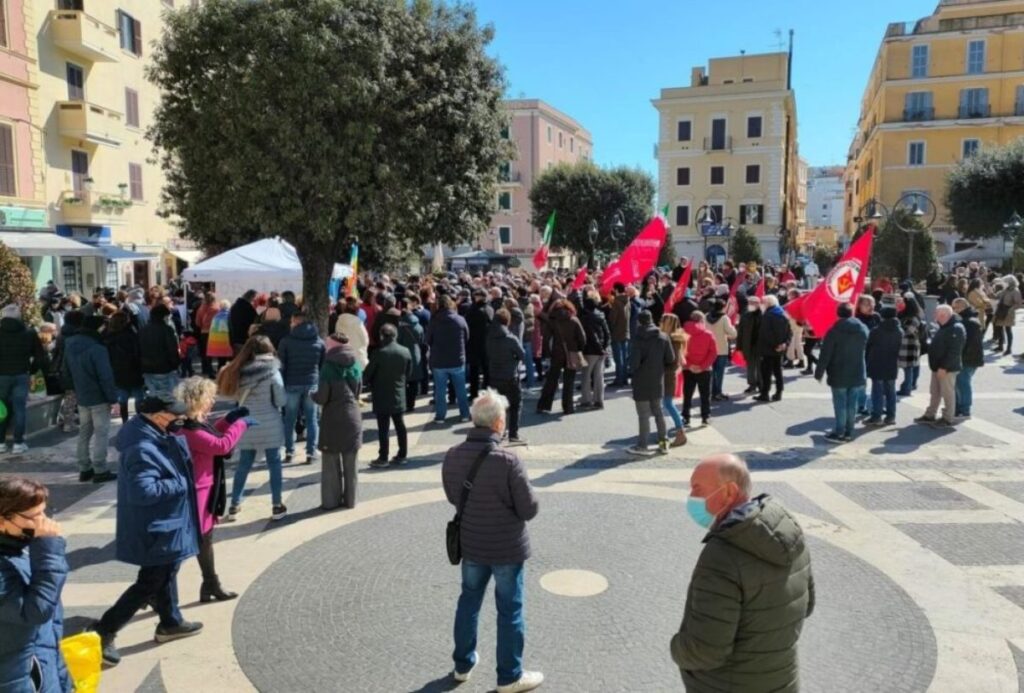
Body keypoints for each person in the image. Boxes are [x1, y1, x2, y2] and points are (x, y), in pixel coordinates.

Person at [671, 454, 814, 691]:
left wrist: (677, 646)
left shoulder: (722, 556)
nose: (691, 497)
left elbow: (705, 651)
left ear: (728, 492)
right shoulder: (788, 530)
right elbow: (806, 605)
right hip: (783, 680)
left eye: (697, 488)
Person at [90, 395, 203, 667]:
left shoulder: (155, 433)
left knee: (165, 572)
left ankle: (170, 622)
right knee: (150, 582)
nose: (179, 418)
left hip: (166, 524)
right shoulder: (141, 447)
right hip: (157, 527)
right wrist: (180, 483)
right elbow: (143, 491)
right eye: (173, 414)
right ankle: (103, 631)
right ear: (156, 416)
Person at [442, 389, 542, 693]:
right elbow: (529, 509)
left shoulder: (453, 455)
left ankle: (463, 663)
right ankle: (509, 675)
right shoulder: (508, 460)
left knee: (468, 600)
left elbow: (452, 497)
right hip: (507, 546)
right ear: (499, 423)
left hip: (472, 542)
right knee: (510, 609)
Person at [173, 377, 251, 602]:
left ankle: (210, 583)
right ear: (197, 400)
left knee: (204, 540)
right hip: (196, 492)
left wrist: (228, 420)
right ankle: (153, 589)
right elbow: (220, 445)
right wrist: (240, 425)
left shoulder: (193, 423)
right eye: (209, 397)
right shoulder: (187, 429)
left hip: (203, 490)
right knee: (187, 544)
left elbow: (212, 435)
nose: (212, 401)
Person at [0, 477, 71, 693]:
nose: (44, 523)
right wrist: (48, 550)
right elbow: (35, 611)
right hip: (19, 676)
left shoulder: (17, 545)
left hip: (43, 659)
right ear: (3, 520)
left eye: (44, 513)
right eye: (34, 517)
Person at [218, 335, 288, 521]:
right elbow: (281, 400)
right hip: (270, 422)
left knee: (244, 463)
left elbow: (230, 397)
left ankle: (234, 505)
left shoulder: (237, 370)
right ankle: (276, 505)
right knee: (274, 463)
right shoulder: (273, 371)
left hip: (245, 423)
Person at [61, 315, 119, 483]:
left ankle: (84, 468)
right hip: (98, 396)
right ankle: (100, 469)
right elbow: (105, 376)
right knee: (101, 433)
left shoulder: (70, 343)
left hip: (82, 395)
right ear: (97, 328)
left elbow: (66, 371)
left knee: (84, 432)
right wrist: (112, 398)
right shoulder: (97, 348)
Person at [312, 336, 363, 509]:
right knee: (351, 463)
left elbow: (322, 397)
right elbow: (357, 391)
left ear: (333, 346)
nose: (325, 346)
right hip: (352, 416)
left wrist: (312, 394)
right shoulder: (355, 363)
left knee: (330, 464)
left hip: (332, 419)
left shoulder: (328, 366)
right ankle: (351, 501)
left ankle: (330, 502)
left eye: (327, 343)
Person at [815, 303, 870, 443]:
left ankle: (839, 432)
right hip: (858, 370)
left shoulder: (833, 331)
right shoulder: (863, 329)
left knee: (840, 403)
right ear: (852, 313)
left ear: (838, 314)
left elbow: (825, 354)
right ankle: (849, 432)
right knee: (852, 404)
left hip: (838, 371)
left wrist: (819, 373)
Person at [627, 310, 676, 456]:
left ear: (639, 322)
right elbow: (671, 358)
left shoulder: (637, 338)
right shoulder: (663, 336)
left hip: (641, 380)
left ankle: (642, 445)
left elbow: (634, 363)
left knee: (643, 415)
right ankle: (663, 442)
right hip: (657, 378)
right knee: (659, 412)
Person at [278, 311, 325, 464]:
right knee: (312, 419)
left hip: (291, 383)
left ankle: (289, 451)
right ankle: (311, 452)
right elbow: (322, 365)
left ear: (296, 322)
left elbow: (281, 365)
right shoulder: (318, 341)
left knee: (289, 419)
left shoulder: (286, 341)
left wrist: (282, 385)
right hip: (312, 383)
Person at [0, 304, 47, 455]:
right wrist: (32, 370)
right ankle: (18, 443)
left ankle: (0, 442)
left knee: (1, 409)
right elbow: (40, 356)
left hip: (1, 376)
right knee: (20, 408)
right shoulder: (29, 332)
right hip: (21, 374)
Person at [365, 323, 412, 467]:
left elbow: (367, 375)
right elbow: (408, 373)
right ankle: (402, 454)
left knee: (383, 428)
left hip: (381, 393)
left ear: (381, 336)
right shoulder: (405, 351)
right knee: (400, 425)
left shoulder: (379, 353)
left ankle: (383, 457)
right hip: (398, 393)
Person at [916, 304, 966, 429]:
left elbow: (954, 351)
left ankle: (947, 418)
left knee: (947, 393)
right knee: (935, 392)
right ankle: (930, 415)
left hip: (946, 368)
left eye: (936, 314)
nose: (934, 316)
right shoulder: (945, 326)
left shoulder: (955, 328)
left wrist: (944, 367)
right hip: (938, 367)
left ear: (944, 315)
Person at [535, 299, 586, 415]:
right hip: (572, 352)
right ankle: (568, 408)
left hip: (557, 353)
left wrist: (547, 354)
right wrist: (578, 349)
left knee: (551, 380)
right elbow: (582, 338)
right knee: (569, 381)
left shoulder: (552, 321)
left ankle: (543, 406)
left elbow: (546, 339)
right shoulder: (574, 320)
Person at [427, 295, 471, 424]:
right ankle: (465, 414)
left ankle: (440, 416)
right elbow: (467, 337)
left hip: (439, 360)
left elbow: (428, 339)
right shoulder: (460, 319)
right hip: (457, 358)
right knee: (461, 389)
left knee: (440, 391)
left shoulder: (434, 320)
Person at [487, 308, 527, 445]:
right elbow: (522, 354)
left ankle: (500, 432)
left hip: (494, 375)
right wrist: (514, 358)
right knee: (515, 405)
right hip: (510, 375)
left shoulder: (489, 337)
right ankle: (514, 434)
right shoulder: (510, 338)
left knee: (498, 406)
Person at [103, 311, 145, 425]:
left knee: (123, 399)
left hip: (117, 372)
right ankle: (140, 421)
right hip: (134, 370)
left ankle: (125, 421)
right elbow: (138, 352)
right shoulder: (131, 335)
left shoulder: (107, 337)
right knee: (139, 398)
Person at [865, 306, 903, 426]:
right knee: (891, 391)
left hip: (877, 363)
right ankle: (891, 416)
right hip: (892, 363)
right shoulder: (899, 331)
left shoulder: (876, 331)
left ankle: (877, 416)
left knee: (877, 391)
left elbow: (868, 346)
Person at [682, 312, 717, 427]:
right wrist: (702, 366)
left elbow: (680, 352)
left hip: (688, 368)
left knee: (687, 394)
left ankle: (686, 417)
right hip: (705, 369)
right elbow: (713, 352)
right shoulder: (708, 334)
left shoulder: (683, 333)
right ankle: (705, 417)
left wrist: (689, 365)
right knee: (705, 394)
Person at [139, 303, 182, 397]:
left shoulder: (142, 330)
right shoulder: (166, 330)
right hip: (165, 368)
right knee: (169, 396)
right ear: (164, 316)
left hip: (147, 368)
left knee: (154, 395)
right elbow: (172, 349)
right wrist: (176, 364)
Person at [659, 313, 688, 448]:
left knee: (668, 403)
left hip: (667, 374)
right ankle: (679, 425)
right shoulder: (674, 337)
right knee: (667, 403)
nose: (659, 323)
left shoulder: (671, 339)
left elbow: (672, 360)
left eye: (662, 321)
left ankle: (680, 430)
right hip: (669, 373)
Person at [754, 295, 791, 402]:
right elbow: (789, 331)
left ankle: (765, 393)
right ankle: (779, 392)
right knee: (778, 372)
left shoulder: (768, 315)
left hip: (768, 349)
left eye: (763, 302)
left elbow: (767, 334)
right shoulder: (783, 313)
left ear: (768, 303)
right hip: (780, 348)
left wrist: (777, 345)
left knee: (766, 372)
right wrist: (784, 344)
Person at [952, 298, 984, 420]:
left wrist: (959, 357)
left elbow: (968, 344)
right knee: (960, 384)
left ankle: (964, 410)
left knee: (963, 383)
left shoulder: (969, 322)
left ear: (962, 307)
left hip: (968, 359)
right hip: (968, 358)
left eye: (956, 308)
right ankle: (959, 408)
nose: (954, 310)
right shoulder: (968, 320)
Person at [579, 295, 610, 409]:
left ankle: (586, 400)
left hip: (590, 350)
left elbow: (592, 336)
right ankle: (599, 400)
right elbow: (607, 333)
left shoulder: (585, 317)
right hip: (601, 349)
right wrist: (605, 347)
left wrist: (600, 349)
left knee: (586, 376)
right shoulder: (601, 315)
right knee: (599, 376)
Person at [705, 299, 736, 401]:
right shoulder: (724, 318)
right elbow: (733, 334)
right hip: (721, 348)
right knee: (719, 372)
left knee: (710, 372)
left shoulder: (706, 317)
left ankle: (708, 392)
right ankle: (717, 392)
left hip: (708, 348)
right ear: (723, 307)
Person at [397, 301, 425, 412]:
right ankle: (411, 404)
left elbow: (397, 341)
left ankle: (403, 403)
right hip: (415, 353)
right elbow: (422, 340)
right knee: (413, 382)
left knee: (402, 381)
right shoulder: (419, 326)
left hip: (402, 355)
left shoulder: (400, 328)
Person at [897, 294, 924, 397]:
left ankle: (907, 388)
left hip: (909, 345)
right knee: (908, 368)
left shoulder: (914, 317)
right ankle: (907, 386)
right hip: (906, 345)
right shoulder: (904, 315)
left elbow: (908, 331)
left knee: (908, 368)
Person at [735, 294, 761, 395]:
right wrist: (739, 347)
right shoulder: (745, 315)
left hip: (760, 345)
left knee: (760, 366)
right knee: (750, 366)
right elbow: (740, 332)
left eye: (753, 303)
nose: (750, 305)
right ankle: (752, 385)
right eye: (749, 303)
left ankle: (761, 384)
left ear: (758, 304)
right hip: (748, 345)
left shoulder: (764, 314)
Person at [608, 283, 631, 386]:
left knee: (618, 358)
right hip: (626, 331)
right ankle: (624, 378)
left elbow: (613, 319)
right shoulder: (628, 300)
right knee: (624, 357)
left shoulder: (616, 302)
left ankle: (619, 379)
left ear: (616, 290)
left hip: (617, 332)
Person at [992, 275, 1022, 356]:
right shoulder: (1005, 290)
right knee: (999, 328)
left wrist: (1011, 309)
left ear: (1010, 282)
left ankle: (1009, 349)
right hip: (1001, 310)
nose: (1004, 283)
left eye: (1005, 282)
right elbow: (997, 296)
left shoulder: (1015, 291)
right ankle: (1000, 346)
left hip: (1008, 312)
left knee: (1008, 330)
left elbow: (1018, 303)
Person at [228, 290, 259, 355]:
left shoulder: (234, 306)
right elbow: (255, 322)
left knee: (238, 360)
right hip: (245, 339)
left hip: (235, 338)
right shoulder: (248, 308)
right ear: (252, 297)